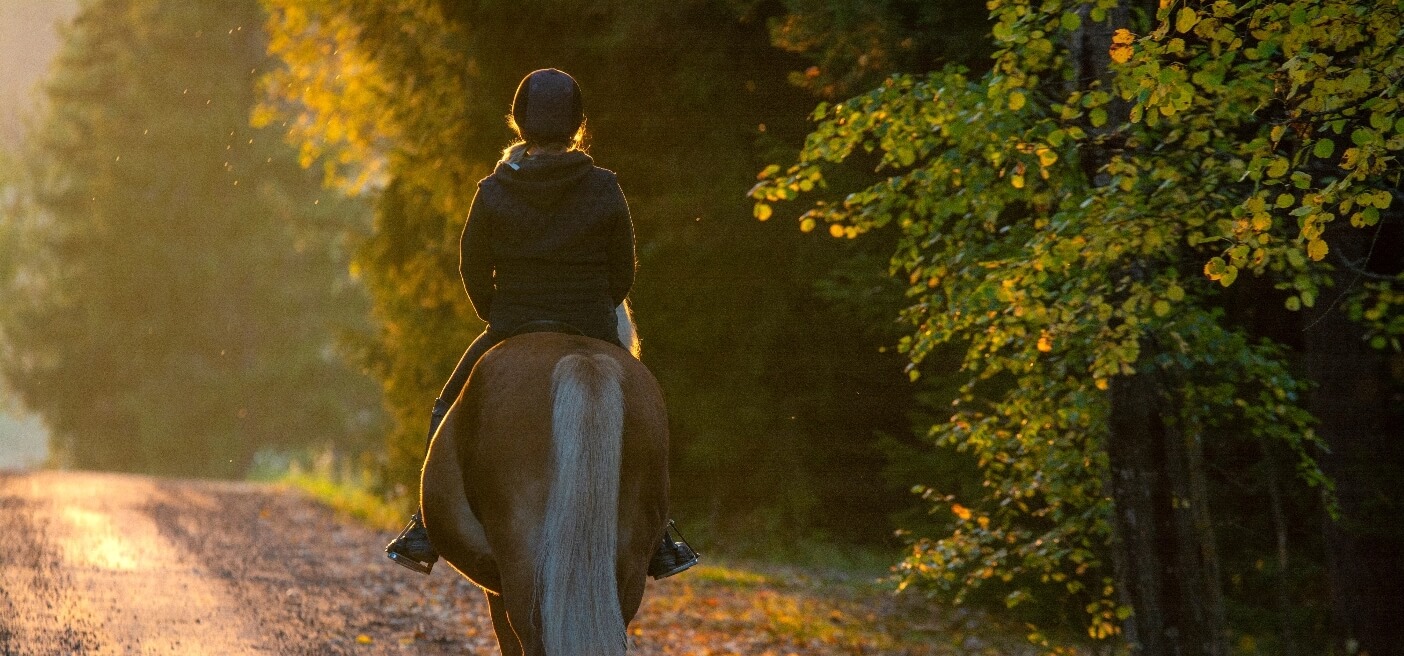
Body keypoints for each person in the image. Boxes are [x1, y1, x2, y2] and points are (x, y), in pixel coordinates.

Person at [385, 68, 698, 579]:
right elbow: (624, 269)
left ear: (519, 122)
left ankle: (424, 526)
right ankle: (661, 536)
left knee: (446, 405)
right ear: (578, 125)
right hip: (590, 324)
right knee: (647, 410)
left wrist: (499, 315)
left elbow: (470, 265)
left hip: (511, 325)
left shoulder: (493, 190)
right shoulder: (604, 187)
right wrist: (594, 311)